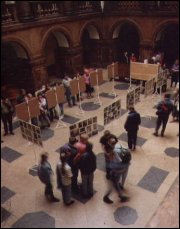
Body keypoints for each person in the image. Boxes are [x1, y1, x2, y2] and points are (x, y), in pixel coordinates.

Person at [103, 138, 129, 204]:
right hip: (113, 173)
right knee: (112, 186)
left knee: (115, 185)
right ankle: (106, 197)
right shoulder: (109, 158)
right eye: (111, 149)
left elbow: (119, 160)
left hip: (114, 173)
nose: (112, 149)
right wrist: (122, 169)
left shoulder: (113, 153)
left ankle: (121, 197)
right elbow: (113, 167)